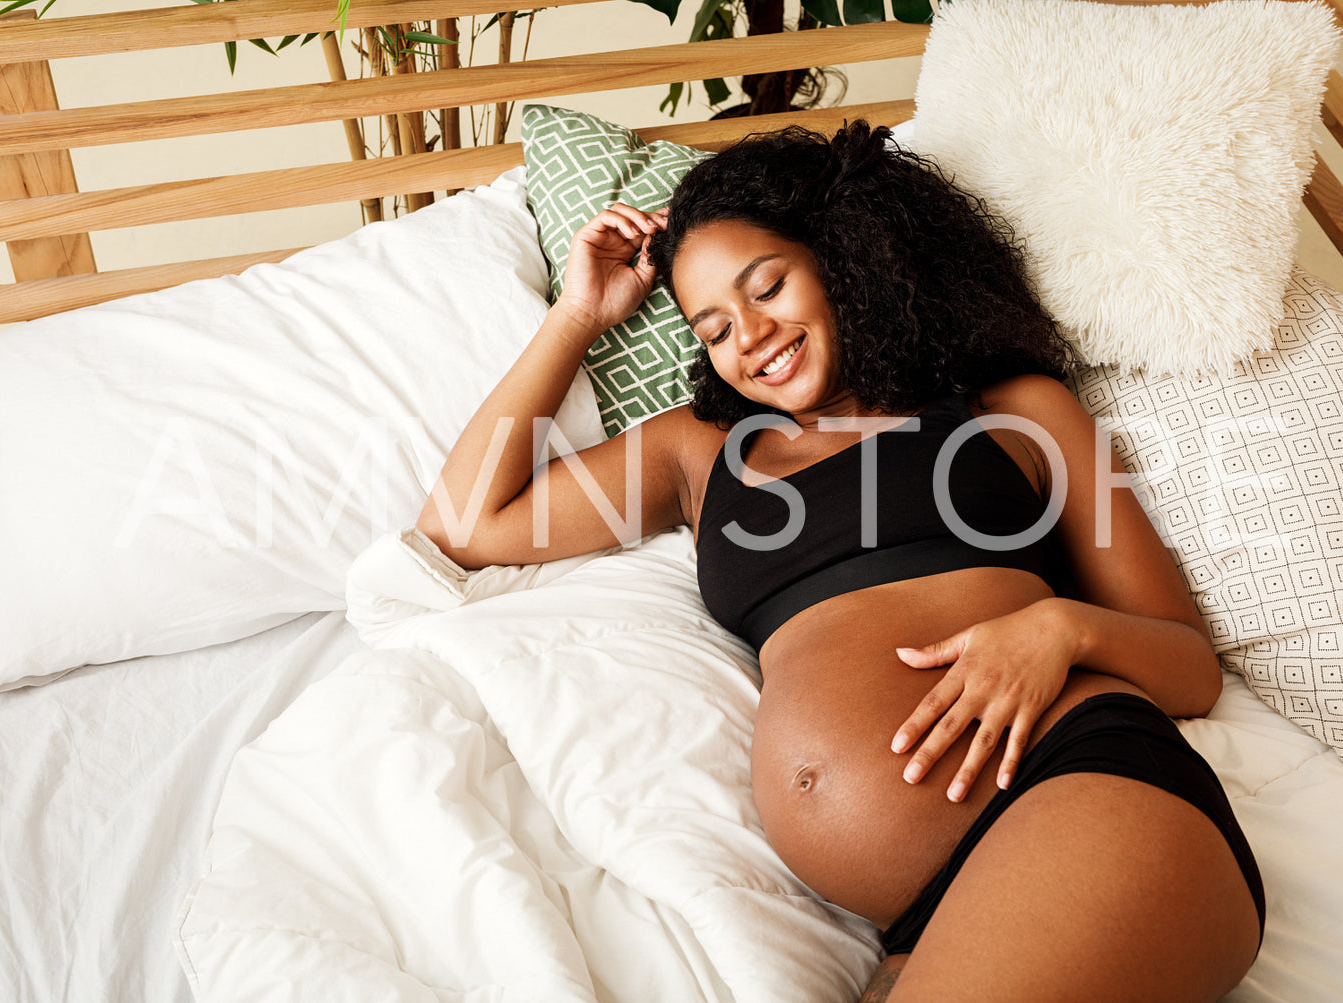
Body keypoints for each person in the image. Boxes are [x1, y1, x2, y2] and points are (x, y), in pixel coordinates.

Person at [417, 121, 1265, 1002]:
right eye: (711, 327)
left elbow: (1188, 665)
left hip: (1086, 783)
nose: (747, 335)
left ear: (843, 257)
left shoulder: (1011, 412)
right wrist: (579, 316)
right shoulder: (701, 452)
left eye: (767, 287)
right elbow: (464, 521)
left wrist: (1057, 628)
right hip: (923, 914)